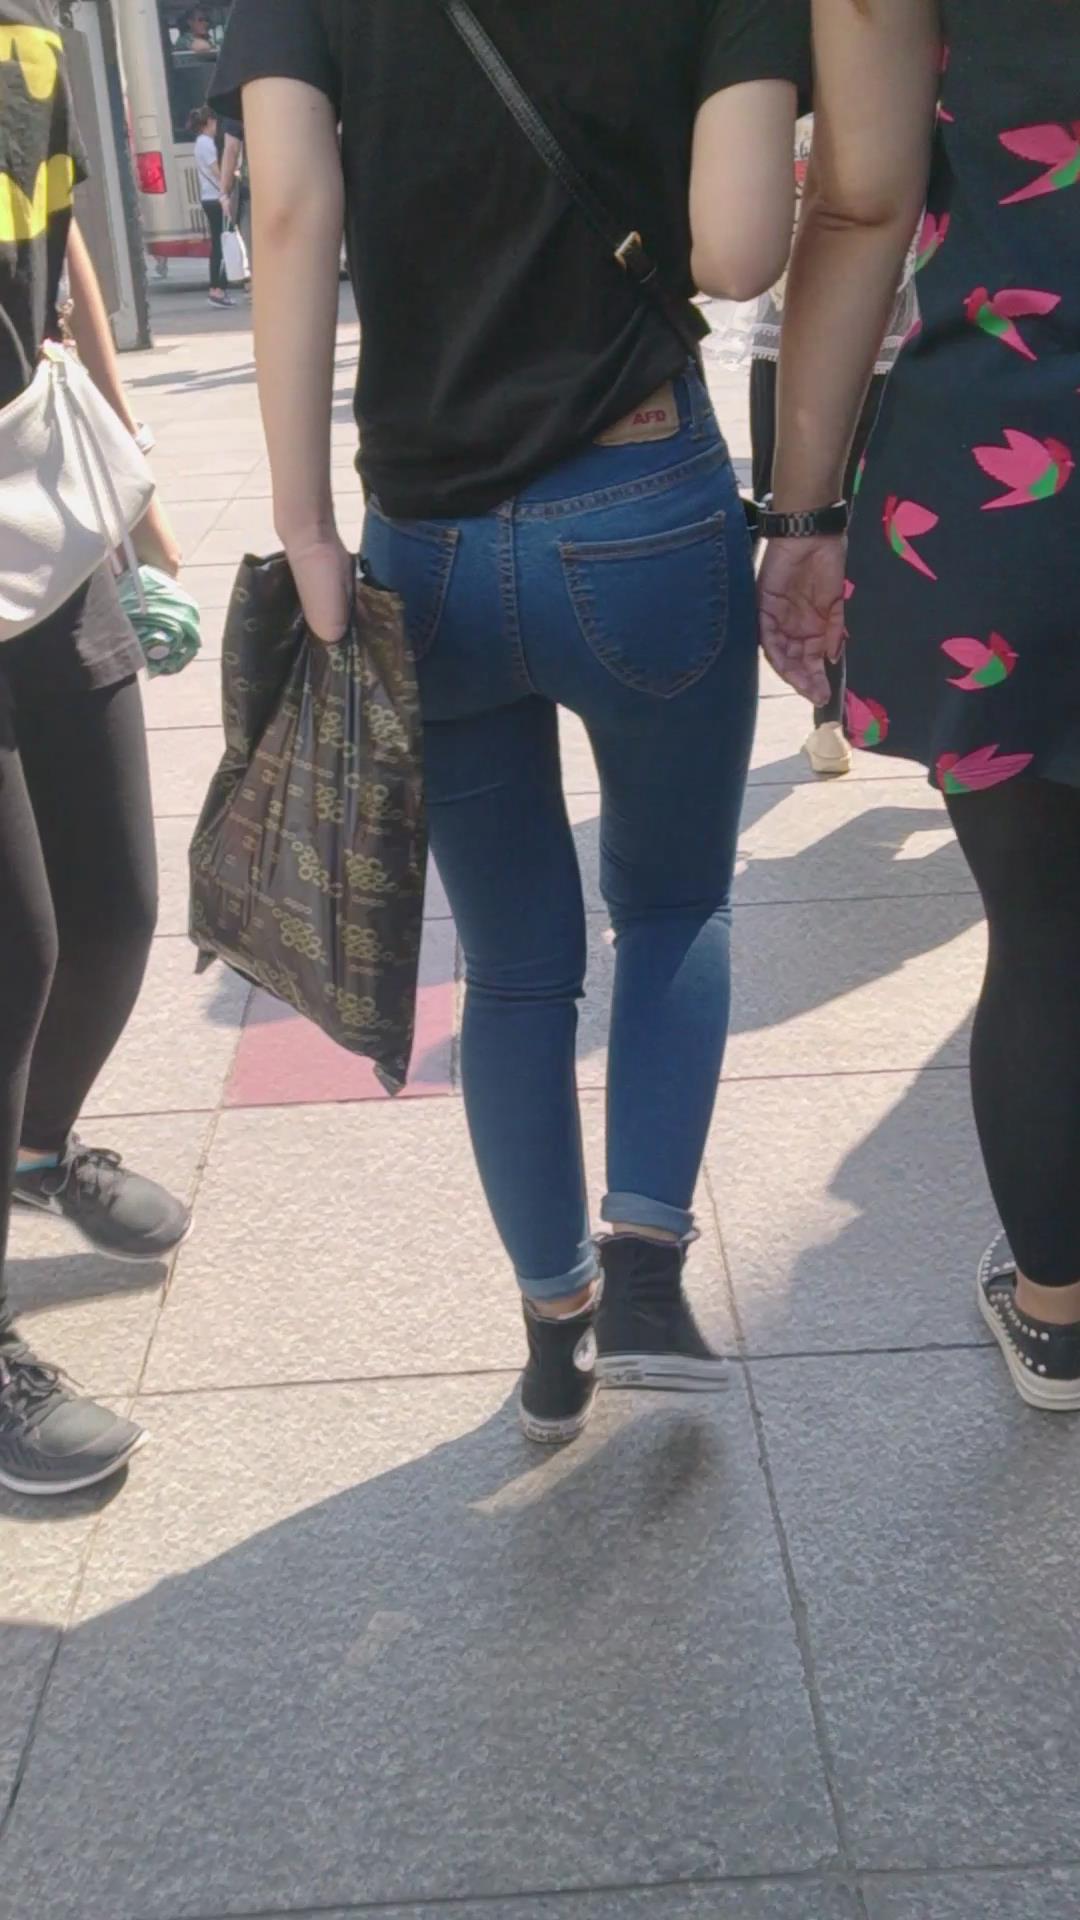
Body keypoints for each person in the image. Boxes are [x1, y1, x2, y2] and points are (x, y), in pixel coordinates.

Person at [213, 0, 809, 1443]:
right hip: (643, 503)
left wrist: (306, 528)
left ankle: (556, 1328)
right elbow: (738, 255)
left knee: (515, 968)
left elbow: (286, 210)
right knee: (673, 905)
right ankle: (648, 1269)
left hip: (427, 536)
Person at [758, 0, 1080, 1409]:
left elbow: (862, 201)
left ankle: (1059, 1316)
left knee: (1048, 930)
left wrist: (803, 513)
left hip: (1008, 474)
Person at [0, 0, 192, 1495]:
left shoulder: (31, 48)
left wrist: (138, 513)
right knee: (16, 952)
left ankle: (37, 1148)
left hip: (35, 521)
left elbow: (59, 275)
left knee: (117, 912)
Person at [745, 115, 917, 776]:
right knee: (873, 525)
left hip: (808, 324)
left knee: (815, 523)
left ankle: (831, 716)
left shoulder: (789, 78)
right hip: (899, 320)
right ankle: (842, 712)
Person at [190, 106, 232, 308]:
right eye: (215, 123)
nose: (217, 127)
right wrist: (230, 182)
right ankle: (217, 289)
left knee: (219, 243)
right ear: (208, 123)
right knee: (222, 244)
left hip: (210, 198)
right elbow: (218, 171)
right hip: (216, 199)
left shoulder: (200, 143)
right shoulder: (206, 143)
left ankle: (217, 288)